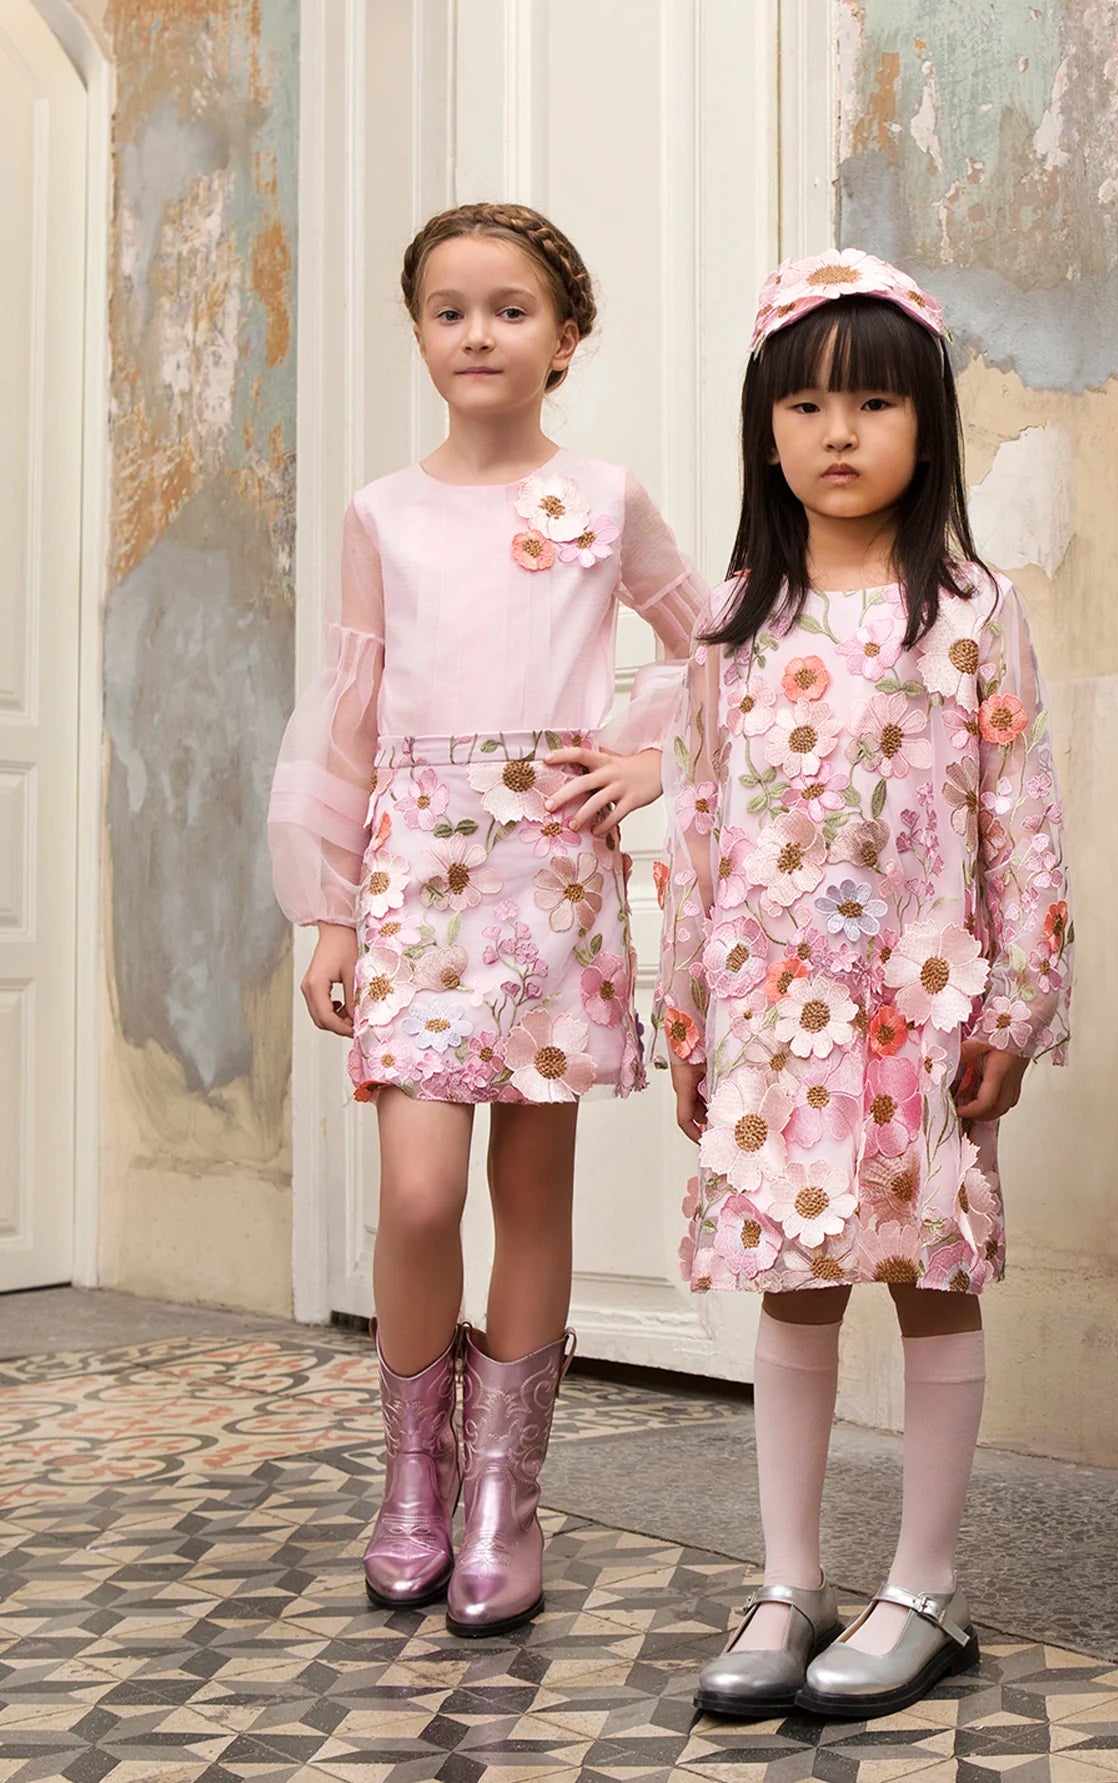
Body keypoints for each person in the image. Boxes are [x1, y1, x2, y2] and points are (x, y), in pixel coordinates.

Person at [268, 201, 705, 1637]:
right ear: (418, 334)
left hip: (551, 880)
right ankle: (414, 1474)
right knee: (416, 1193)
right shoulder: (380, 514)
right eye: (450, 310)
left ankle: (505, 1498)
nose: (478, 333)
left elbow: (717, 641)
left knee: (532, 1191)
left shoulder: (606, 497)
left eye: (511, 309)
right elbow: (347, 714)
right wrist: (332, 914)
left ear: (565, 337)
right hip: (415, 876)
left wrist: (645, 758)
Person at [654, 248, 1072, 1719]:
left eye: (876, 403)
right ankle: (789, 1581)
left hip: (920, 1011)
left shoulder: (969, 608)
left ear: (927, 423)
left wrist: (1016, 1006)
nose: (840, 433)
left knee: (930, 1280)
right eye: (809, 405)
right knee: (797, 1286)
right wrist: (689, 1013)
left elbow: (1021, 814)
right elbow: (696, 822)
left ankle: (927, 1588)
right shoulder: (732, 622)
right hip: (776, 1012)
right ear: (765, 429)